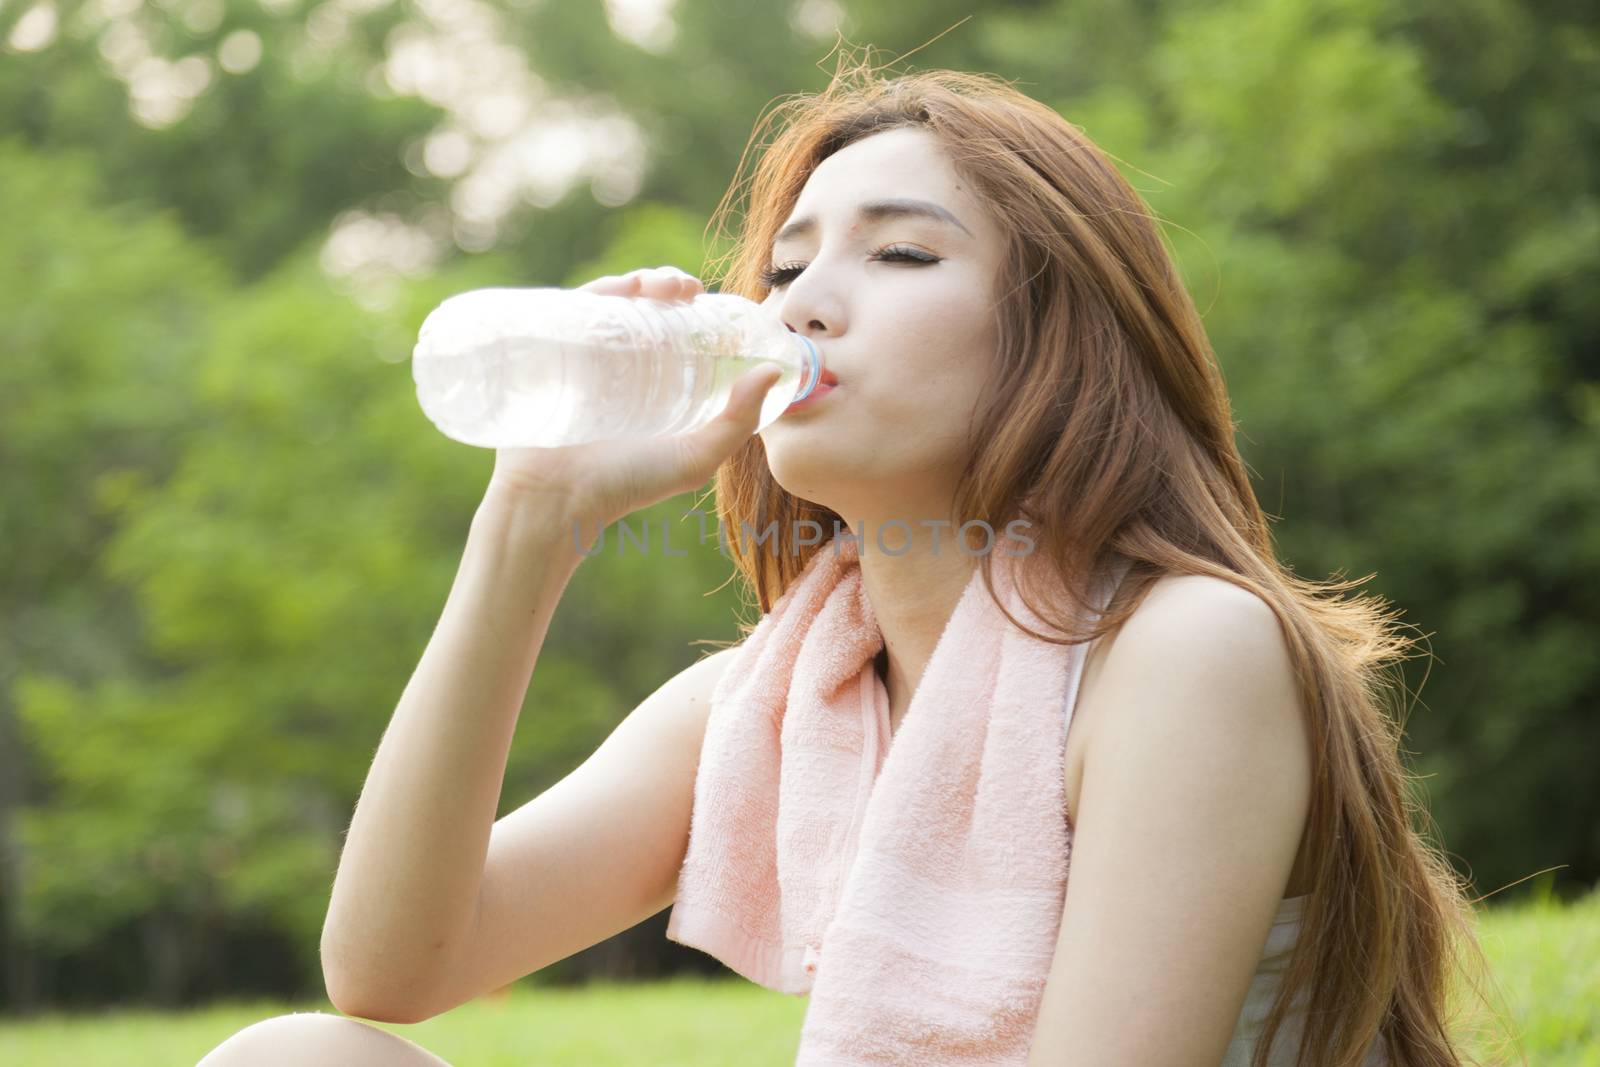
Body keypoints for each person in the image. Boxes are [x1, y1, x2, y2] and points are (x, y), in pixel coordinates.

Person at [195, 62, 1505, 1067]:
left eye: (901, 253)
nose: (803, 301)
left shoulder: (1182, 652)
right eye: (786, 263)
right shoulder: (780, 699)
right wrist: (531, 521)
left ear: (1059, 339)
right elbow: (389, 968)